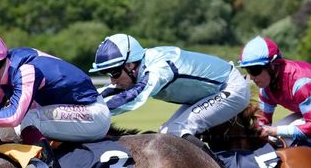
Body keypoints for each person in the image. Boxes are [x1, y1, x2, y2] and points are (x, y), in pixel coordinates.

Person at [0, 30, 110, 145]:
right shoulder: (5, 70)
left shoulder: (26, 70)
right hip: (70, 111)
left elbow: (14, 116)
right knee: (5, 131)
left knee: (26, 120)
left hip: (93, 114)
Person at [90, 34, 251, 140]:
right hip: (208, 93)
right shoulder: (138, 68)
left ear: (130, 65)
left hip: (231, 88)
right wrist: (80, 103)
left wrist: (92, 112)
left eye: (115, 73)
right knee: (166, 132)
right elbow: (109, 91)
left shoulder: (159, 68)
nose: (112, 80)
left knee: (176, 131)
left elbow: (136, 96)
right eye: (108, 74)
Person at [238, 36, 311, 144]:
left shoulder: (301, 83)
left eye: (255, 70)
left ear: (272, 66)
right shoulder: (266, 86)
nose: (252, 77)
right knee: (271, 137)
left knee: (283, 138)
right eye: (248, 70)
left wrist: (274, 130)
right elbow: (263, 121)